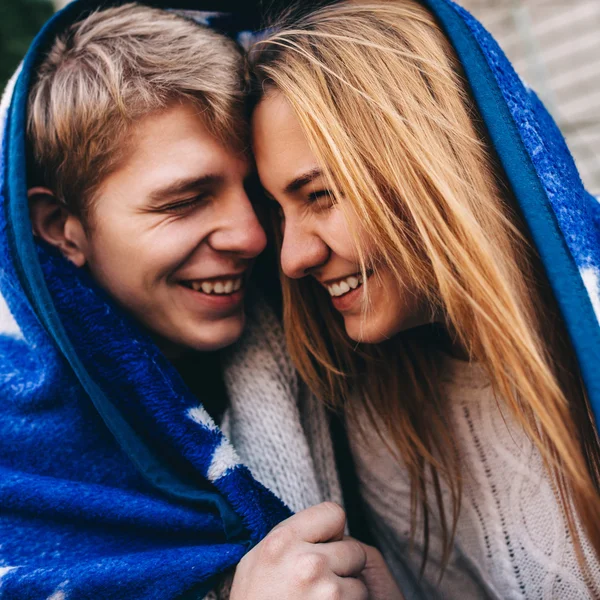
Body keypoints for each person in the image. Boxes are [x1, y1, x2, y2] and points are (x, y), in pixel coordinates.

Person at [0, 2, 385, 598]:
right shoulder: (15, 461)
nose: (254, 238)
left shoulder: (344, 340)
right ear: (59, 226)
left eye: (254, 192)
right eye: (183, 201)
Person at [248, 0, 600, 597]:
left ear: (428, 166)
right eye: (279, 213)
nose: (293, 257)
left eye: (320, 195)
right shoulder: (392, 421)